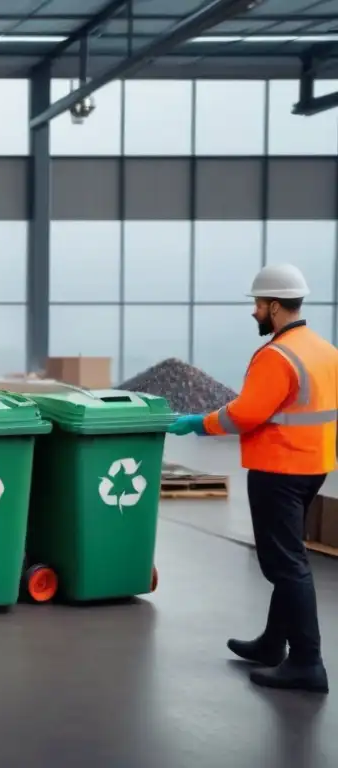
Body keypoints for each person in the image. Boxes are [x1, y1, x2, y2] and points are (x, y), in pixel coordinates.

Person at [169, 263, 337, 694]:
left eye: (259, 304)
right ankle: (272, 644)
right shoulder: (324, 350)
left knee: (285, 564)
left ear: (276, 306)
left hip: (278, 470)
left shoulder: (277, 356)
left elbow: (244, 414)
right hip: (313, 466)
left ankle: (306, 662)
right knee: (291, 557)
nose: (255, 312)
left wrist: (198, 423)